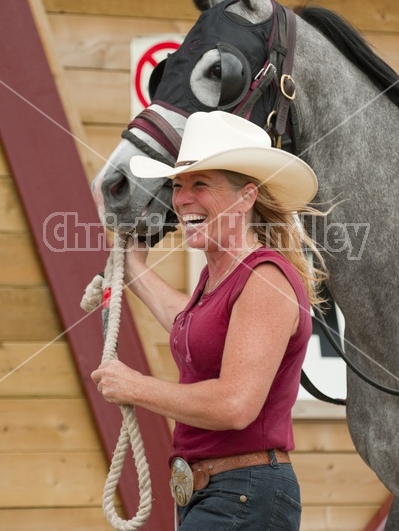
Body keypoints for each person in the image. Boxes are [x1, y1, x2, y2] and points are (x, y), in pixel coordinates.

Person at [91, 111, 327, 530]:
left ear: (246, 197)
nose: (182, 199)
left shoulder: (264, 279)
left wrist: (134, 385)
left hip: (243, 495)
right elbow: (189, 327)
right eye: (178, 185)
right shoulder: (218, 278)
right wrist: (131, 265)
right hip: (221, 494)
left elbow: (235, 405)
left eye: (201, 184)